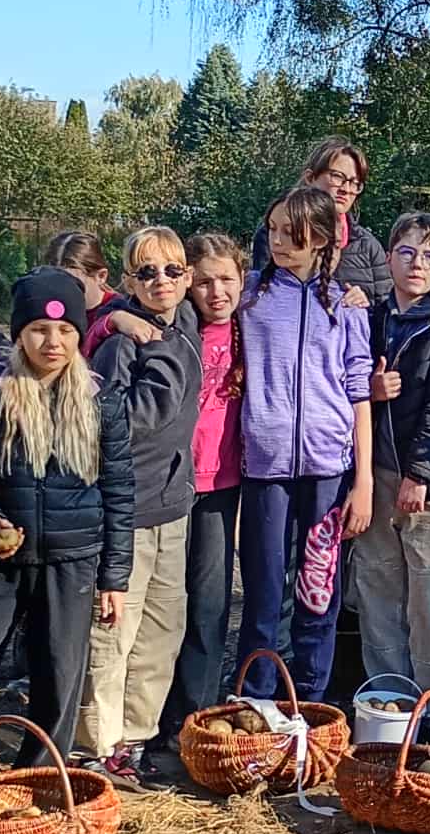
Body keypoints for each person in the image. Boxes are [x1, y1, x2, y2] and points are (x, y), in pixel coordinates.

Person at [0, 269, 133, 768]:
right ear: (19, 334)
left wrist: (113, 577)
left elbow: (120, 492)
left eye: (65, 331)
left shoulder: (102, 399)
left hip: (72, 559)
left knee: (59, 674)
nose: (52, 342)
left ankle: (36, 774)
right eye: (38, 329)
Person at [237, 188, 376, 706]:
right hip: (265, 469)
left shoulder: (346, 307)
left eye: (290, 233)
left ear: (319, 239)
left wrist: (362, 481)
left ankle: (311, 705)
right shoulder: (247, 297)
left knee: (318, 592)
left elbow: (360, 394)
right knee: (265, 592)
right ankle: (256, 701)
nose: (277, 241)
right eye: (271, 230)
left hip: (327, 472)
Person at [76, 226, 202, 785]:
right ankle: (96, 745)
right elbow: (114, 420)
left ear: (188, 277)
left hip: (173, 504)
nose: (161, 281)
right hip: (125, 506)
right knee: (112, 631)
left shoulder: (186, 323)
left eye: (172, 270)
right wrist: (117, 326)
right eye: (147, 272)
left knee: (161, 628)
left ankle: (134, 737)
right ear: (128, 280)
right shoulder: (122, 343)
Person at [354, 212, 430, 717]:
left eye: (429, 255)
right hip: (377, 475)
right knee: (379, 592)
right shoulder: (373, 317)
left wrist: (420, 474)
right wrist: (371, 390)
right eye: (406, 252)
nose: (417, 263)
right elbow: (349, 386)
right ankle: (389, 704)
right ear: (389, 258)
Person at [155, 233, 247, 751]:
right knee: (165, 605)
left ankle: (197, 714)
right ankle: (156, 715)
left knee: (210, 603)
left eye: (226, 279)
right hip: (168, 486)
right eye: (204, 280)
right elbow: (109, 318)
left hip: (223, 483)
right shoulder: (173, 326)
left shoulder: (250, 328)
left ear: (242, 280)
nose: (216, 291)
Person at [250, 137, 383, 302]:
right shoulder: (272, 234)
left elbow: (386, 311)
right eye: (337, 177)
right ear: (310, 178)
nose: (346, 189)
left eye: (355, 183)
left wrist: (364, 305)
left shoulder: (367, 245)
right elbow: (262, 297)